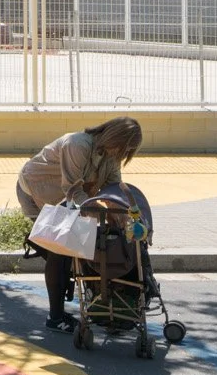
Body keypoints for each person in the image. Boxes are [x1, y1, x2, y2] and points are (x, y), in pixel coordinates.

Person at [17, 117, 143, 333]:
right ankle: (55, 317)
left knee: (77, 250)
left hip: (67, 200)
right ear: (114, 137)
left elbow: (113, 190)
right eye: (123, 149)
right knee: (60, 251)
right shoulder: (77, 144)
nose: (121, 155)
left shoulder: (111, 156)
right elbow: (73, 190)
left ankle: (102, 308)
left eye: (127, 152)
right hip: (37, 194)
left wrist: (123, 218)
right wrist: (100, 212)